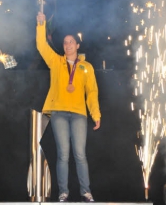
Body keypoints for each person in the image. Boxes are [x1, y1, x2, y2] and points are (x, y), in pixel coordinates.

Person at [36, 12, 101, 202]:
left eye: (71, 41)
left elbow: (92, 92)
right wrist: (41, 24)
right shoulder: (56, 62)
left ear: (77, 45)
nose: (68, 44)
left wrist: (95, 113)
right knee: (63, 153)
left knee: (80, 154)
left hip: (80, 114)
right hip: (59, 114)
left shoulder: (86, 67)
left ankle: (85, 191)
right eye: (65, 42)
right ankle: (63, 192)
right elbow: (41, 45)